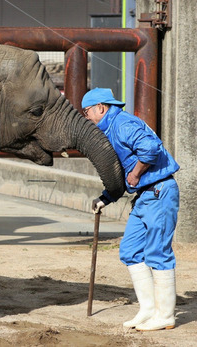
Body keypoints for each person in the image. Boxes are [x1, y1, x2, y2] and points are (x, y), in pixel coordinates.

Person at [81, 88, 180, 331]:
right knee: (130, 250)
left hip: (159, 192)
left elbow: (151, 149)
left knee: (157, 252)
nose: (86, 117)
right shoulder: (112, 127)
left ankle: (165, 315)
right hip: (145, 196)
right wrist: (106, 198)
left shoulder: (123, 123)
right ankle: (148, 310)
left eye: (87, 112)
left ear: (101, 108)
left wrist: (135, 173)